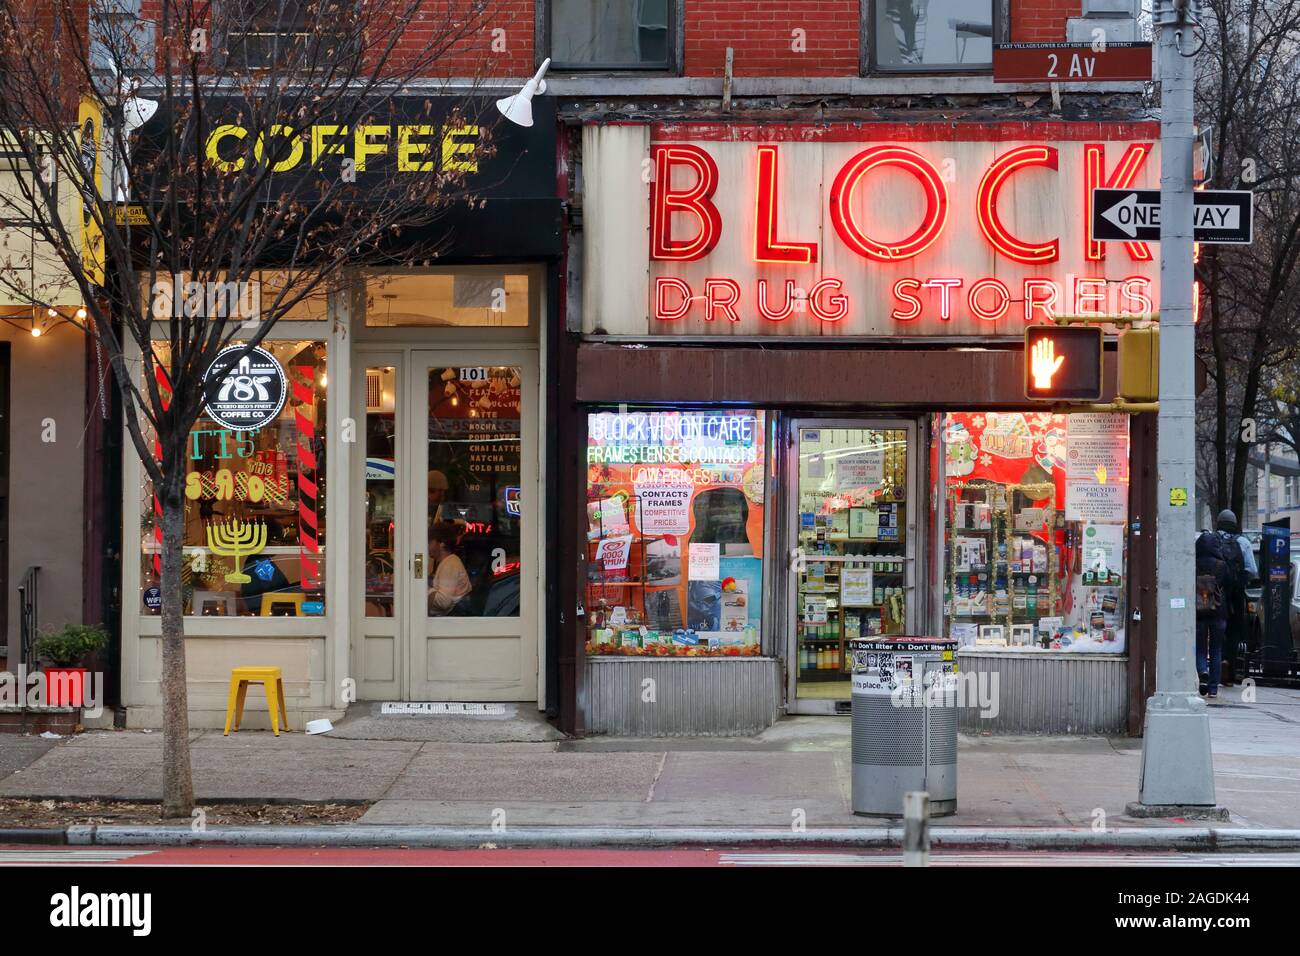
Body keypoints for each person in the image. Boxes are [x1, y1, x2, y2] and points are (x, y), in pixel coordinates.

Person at [1214, 510, 1252, 687]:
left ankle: (1217, 662)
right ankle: (1230, 667)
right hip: (1236, 592)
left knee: (1216, 627)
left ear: (1218, 523)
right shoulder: (1243, 542)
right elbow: (1251, 569)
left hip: (1216, 591)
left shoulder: (1212, 540)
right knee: (1234, 630)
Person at [1195, 529, 1231, 698]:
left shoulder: (1193, 563)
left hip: (1198, 611)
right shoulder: (1221, 565)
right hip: (1218, 611)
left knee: (1201, 648)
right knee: (1216, 649)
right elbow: (1230, 585)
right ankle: (1213, 689)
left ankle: (1203, 671)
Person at [428, 520, 471, 616]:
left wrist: (423, 589)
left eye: (430, 541)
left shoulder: (451, 564)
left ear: (442, 543)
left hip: (452, 624)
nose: (427, 546)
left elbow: (444, 602)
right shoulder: (448, 562)